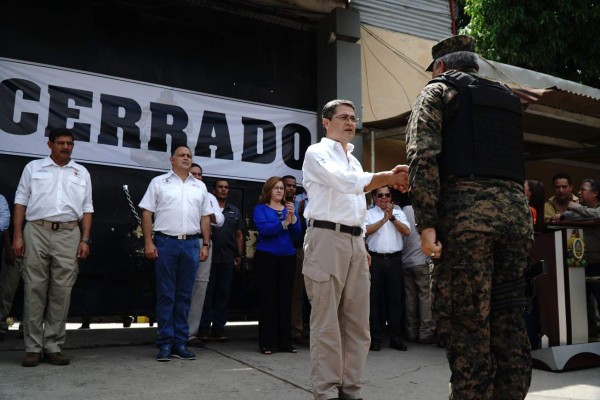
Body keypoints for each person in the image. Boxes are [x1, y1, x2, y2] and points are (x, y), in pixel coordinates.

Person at [406, 35, 534, 399]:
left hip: (467, 224)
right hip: (515, 222)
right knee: (509, 320)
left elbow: (423, 158)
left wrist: (427, 225)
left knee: (467, 324)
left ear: (441, 66)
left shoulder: (437, 92)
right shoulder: (508, 98)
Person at [302, 98, 408, 400]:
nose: (351, 122)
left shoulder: (355, 159)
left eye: (353, 117)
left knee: (359, 322)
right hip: (325, 238)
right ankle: (326, 391)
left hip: (355, 242)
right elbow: (344, 182)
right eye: (343, 117)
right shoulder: (317, 152)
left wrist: (360, 241)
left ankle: (350, 388)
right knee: (326, 321)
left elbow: (356, 200)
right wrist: (387, 176)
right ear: (326, 122)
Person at [13, 128, 94, 367]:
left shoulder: (82, 172)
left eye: (69, 143)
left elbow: (87, 208)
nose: (65, 147)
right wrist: (18, 236)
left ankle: (53, 346)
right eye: (61, 143)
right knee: (34, 289)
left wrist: (85, 239)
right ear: (50, 145)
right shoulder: (33, 168)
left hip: (70, 233)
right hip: (36, 230)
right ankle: (32, 348)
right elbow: (20, 202)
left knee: (62, 291)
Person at [139, 145, 212, 362]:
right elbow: (146, 212)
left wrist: (205, 244)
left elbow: (205, 218)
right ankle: (165, 343)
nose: (186, 158)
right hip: (165, 243)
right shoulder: (159, 183)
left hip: (191, 244)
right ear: (171, 160)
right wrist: (148, 242)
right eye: (182, 155)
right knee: (166, 294)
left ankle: (180, 343)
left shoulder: (200, 186)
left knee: (184, 296)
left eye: (189, 156)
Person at [253, 176, 302, 354]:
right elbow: (265, 230)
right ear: (269, 191)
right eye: (276, 188)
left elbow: (297, 236)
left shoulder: (290, 209)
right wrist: (284, 223)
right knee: (268, 299)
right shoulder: (261, 209)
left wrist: (294, 220)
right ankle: (267, 342)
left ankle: (285, 343)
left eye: (282, 188)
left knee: (285, 299)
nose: (280, 190)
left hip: (287, 257)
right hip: (267, 257)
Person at [365, 186, 410, 352]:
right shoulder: (369, 214)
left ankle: (395, 338)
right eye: (381, 195)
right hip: (375, 260)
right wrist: (383, 220)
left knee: (395, 300)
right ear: (374, 198)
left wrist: (392, 219)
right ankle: (375, 338)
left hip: (395, 261)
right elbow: (365, 231)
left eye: (387, 195)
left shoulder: (399, 213)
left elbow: (407, 232)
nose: (384, 198)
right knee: (374, 299)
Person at [199, 179, 244, 342]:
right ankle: (203, 327)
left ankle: (218, 328)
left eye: (226, 187)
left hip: (227, 258)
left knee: (223, 294)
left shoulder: (234, 211)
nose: (224, 190)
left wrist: (239, 254)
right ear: (214, 190)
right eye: (220, 187)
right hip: (208, 257)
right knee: (206, 293)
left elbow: (239, 234)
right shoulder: (207, 208)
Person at [186, 163, 224, 348]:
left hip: (203, 242)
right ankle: (173, 331)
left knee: (200, 288)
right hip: (182, 240)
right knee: (179, 286)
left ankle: (191, 333)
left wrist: (207, 215)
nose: (197, 177)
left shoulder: (208, 196)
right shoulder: (177, 191)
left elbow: (220, 219)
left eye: (200, 174)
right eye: (194, 174)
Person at [562, 179, 600, 337]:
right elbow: (567, 216)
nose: (579, 193)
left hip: (599, 264)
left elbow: (596, 215)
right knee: (582, 304)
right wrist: (562, 215)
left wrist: (575, 206)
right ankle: (588, 338)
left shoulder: (595, 210)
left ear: (595, 193)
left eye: (583, 189)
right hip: (580, 262)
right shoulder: (581, 211)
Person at [398, 195, 437, 345]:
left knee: (410, 298)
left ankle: (411, 331)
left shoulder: (402, 212)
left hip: (405, 261)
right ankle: (425, 333)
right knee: (424, 298)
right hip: (421, 261)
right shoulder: (422, 213)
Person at [282, 174, 310, 347]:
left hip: (301, 249)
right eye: (288, 185)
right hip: (280, 250)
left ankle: (296, 330)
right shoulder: (276, 202)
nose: (291, 188)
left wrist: (299, 215)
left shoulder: (311, 201)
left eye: (294, 186)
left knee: (298, 293)